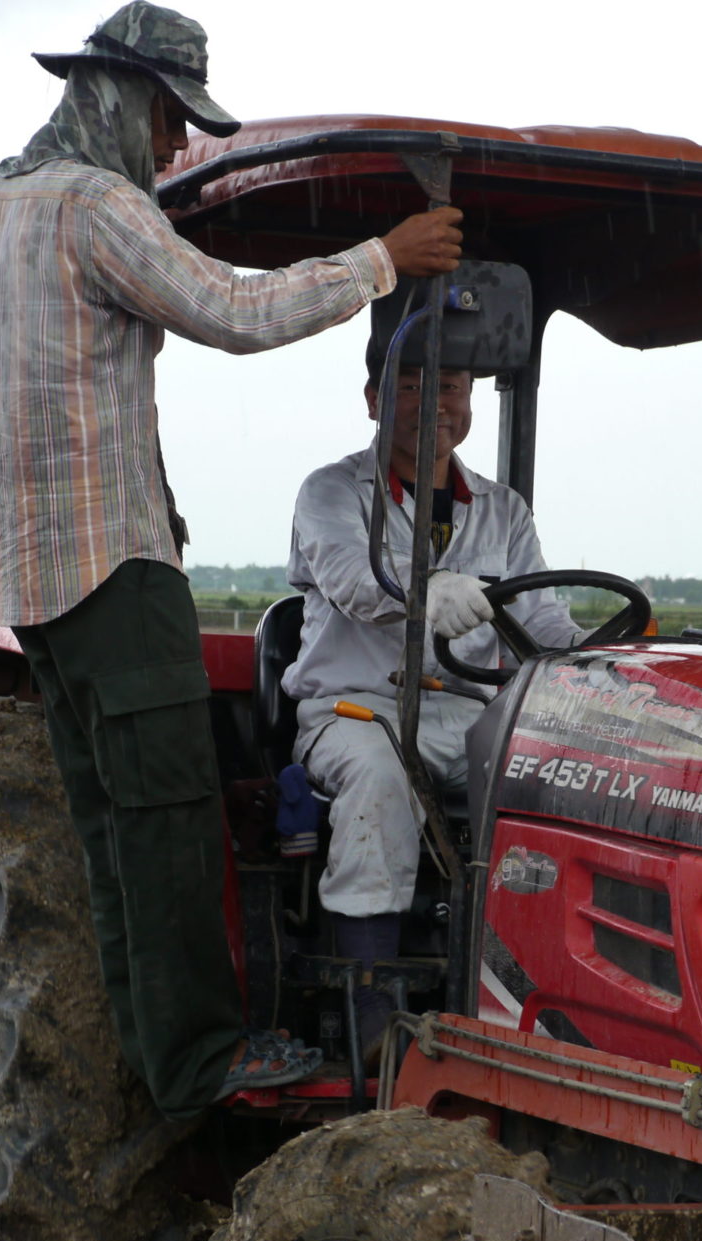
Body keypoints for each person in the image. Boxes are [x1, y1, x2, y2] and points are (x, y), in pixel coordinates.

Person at [0, 1, 462, 1119]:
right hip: (114, 560)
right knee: (174, 814)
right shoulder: (96, 208)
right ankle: (204, 1059)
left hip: (34, 571)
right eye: (167, 121)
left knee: (110, 831)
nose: (176, 149)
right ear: (116, 98)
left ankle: (151, 1055)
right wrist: (383, 260)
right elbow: (234, 313)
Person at [282, 330, 586, 1047]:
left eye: (448, 388)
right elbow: (355, 584)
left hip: (468, 713)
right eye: (412, 386)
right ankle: (371, 1016)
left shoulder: (503, 510)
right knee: (383, 780)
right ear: (373, 400)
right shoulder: (331, 492)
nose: (433, 404)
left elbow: (540, 618)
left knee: (558, 784)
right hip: (358, 710)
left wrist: (602, 653)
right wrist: (426, 592)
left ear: (470, 401)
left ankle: (535, 1003)